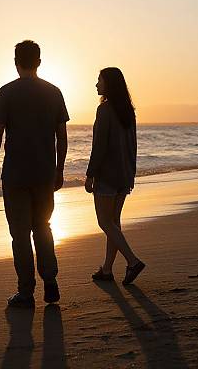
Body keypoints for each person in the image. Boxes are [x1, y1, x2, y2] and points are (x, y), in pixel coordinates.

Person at [0, 40, 69, 308]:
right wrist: (60, 169)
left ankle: (26, 292)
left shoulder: (6, 92)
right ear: (40, 62)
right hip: (44, 173)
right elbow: (62, 137)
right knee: (42, 228)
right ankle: (51, 281)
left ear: (16, 62)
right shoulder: (54, 92)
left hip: (16, 175)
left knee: (20, 234)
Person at [85, 67, 145, 285]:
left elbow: (99, 146)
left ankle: (132, 261)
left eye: (99, 80)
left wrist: (90, 174)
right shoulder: (128, 111)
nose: (96, 84)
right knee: (114, 223)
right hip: (124, 174)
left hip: (108, 175)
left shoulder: (105, 110)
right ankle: (107, 270)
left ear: (108, 83)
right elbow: (133, 146)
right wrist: (131, 173)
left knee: (105, 222)